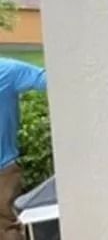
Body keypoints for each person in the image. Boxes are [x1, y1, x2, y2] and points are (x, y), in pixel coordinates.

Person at [0, 59, 46, 240]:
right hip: (4, 171)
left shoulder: (7, 71)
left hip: (4, 170)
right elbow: (51, 80)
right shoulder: (7, 70)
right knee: (8, 227)